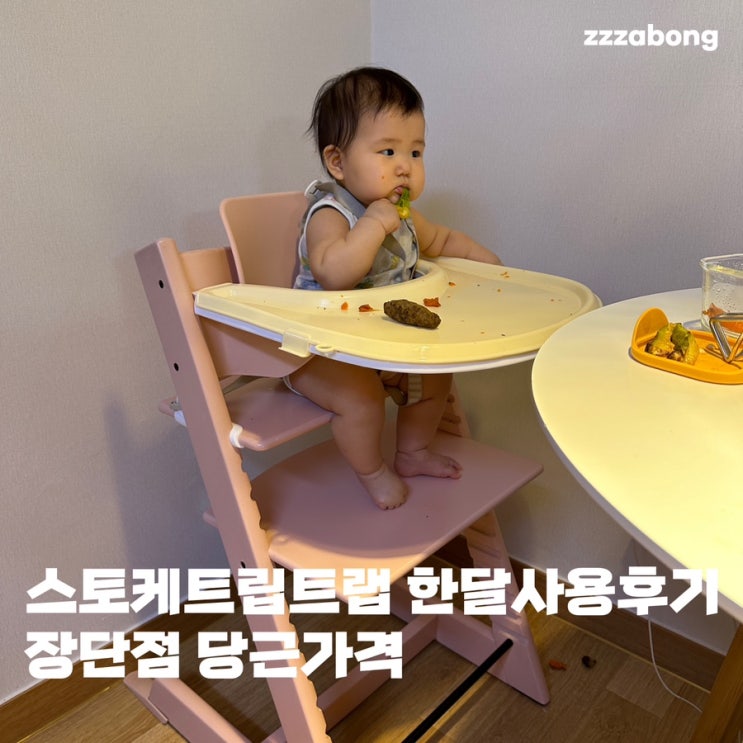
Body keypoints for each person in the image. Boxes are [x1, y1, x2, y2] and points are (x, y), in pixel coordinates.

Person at [286, 66, 501, 510]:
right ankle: (371, 471)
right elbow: (334, 273)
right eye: (387, 151)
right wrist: (371, 226)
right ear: (338, 162)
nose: (405, 166)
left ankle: (413, 452)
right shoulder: (331, 214)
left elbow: (444, 241)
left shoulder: (403, 215)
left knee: (435, 376)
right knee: (362, 400)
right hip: (317, 350)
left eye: (416, 152)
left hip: (377, 344)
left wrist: (492, 267)